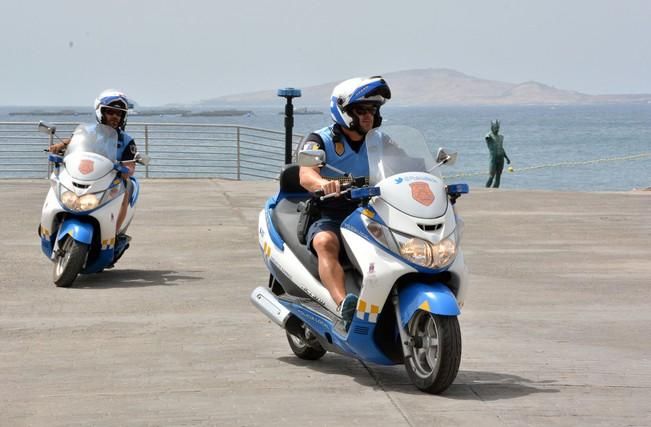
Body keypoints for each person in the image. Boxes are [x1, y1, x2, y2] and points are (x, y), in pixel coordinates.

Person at [298, 76, 391, 329]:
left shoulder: (380, 142)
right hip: (331, 213)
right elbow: (306, 175)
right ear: (344, 111)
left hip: (370, 212)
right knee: (325, 242)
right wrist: (322, 184)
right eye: (361, 110)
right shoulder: (319, 140)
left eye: (372, 110)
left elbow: (408, 164)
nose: (368, 116)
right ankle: (343, 306)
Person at [49, 89, 137, 241]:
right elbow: (74, 141)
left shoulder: (127, 140)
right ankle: (51, 223)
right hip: (86, 174)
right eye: (110, 112)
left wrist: (126, 170)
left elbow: (130, 166)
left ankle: (114, 233)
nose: (115, 116)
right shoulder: (88, 132)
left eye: (119, 113)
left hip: (110, 178)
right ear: (100, 112)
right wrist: (60, 145)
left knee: (126, 189)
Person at [485, 119, 511, 188]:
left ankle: (495, 190)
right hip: (493, 159)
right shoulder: (489, 136)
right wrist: (489, 134)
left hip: (501, 158)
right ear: (492, 128)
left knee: (498, 175)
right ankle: (486, 189)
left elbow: (501, 148)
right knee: (491, 175)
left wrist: (507, 158)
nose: (497, 129)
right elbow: (487, 137)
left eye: (498, 128)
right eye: (495, 128)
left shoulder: (501, 137)